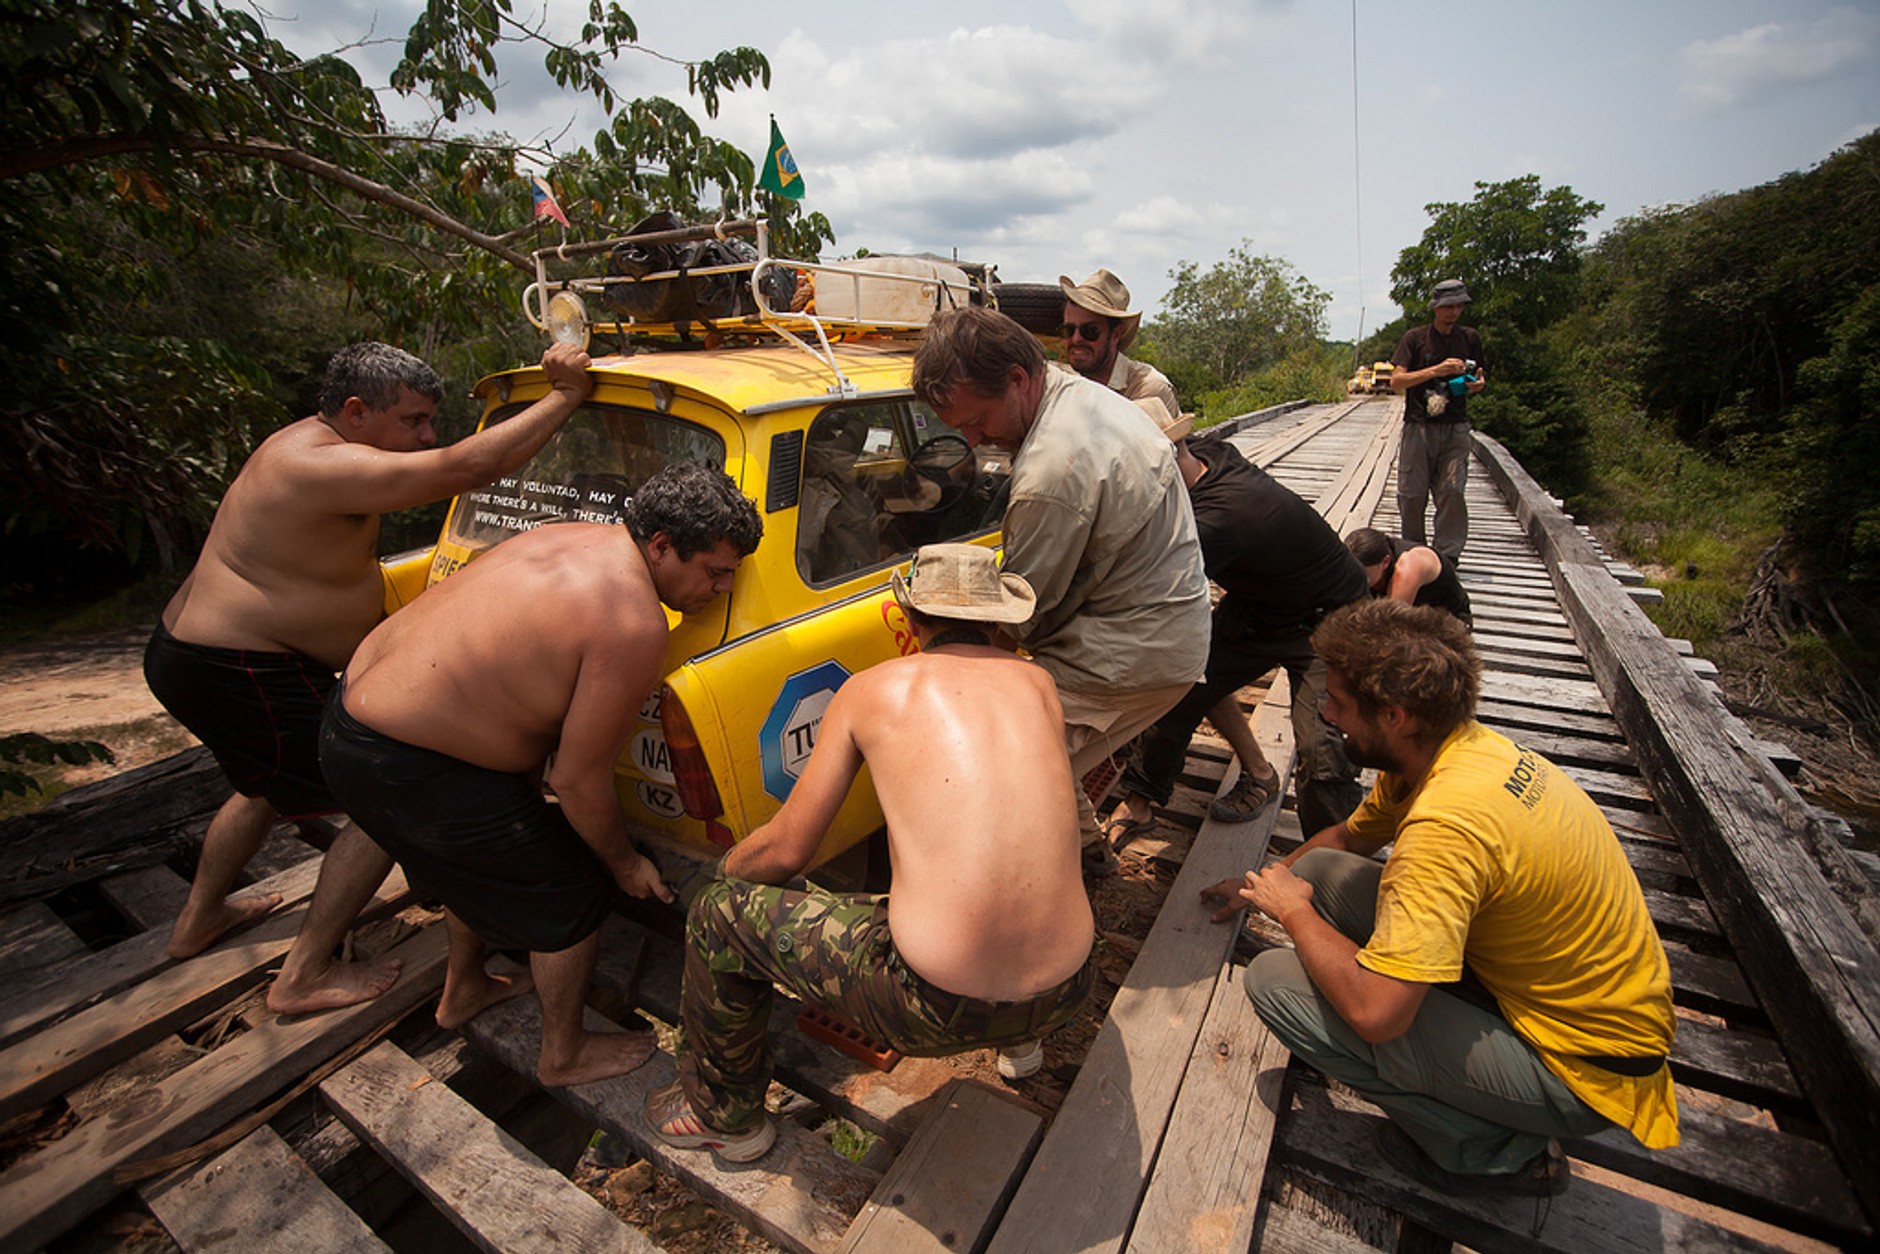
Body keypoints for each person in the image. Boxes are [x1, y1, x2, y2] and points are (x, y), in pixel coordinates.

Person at [143, 340, 594, 985]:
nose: (426, 435)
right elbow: (472, 465)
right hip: (236, 666)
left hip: (205, 658)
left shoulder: (308, 447)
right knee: (381, 795)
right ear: (356, 412)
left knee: (263, 785)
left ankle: (199, 918)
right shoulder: (315, 465)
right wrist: (565, 394)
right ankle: (304, 976)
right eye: (413, 421)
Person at [1204, 599, 1678, 1197]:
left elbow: (1377, 1016)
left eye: (1339, 702)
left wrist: (1292, 911)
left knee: (1275, 982)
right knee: (1323, 868)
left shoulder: (1444, 829)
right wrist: (1260, 884)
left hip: (1586, 1070)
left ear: (1395, 716)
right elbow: (1347, 838)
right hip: (1571, 1002)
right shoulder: (1458, 751)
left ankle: (1496, 1154)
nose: (1326, 713)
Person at [648, 544, 1096, 1162]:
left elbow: (787, 850)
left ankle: (726, 1117)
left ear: (908, 617)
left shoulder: (871, 690)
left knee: (718, 916)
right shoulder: (1038, 683)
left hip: (930, 1006)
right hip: (1067, 989)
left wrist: (719, 877)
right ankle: (1022, 1046)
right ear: (999, 621)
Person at [319, 462, 763, 1085]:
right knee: (569, 890)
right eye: (715, 571)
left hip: (345, 725)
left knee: (483, 863)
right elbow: (578, 780)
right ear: (661, 546)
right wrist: (623, 864)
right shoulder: (632, 620)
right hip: (405, 762)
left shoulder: (567, 536)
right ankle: (563, 1053)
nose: (723, 587)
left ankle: (465, 987)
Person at [911, 306, 1211, 873]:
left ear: (1017, 379)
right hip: (1161, 628)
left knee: (1000, 756)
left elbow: (1016, 615)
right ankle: (1087, 850)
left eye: (976, 421)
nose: (972, 440)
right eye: (958, 430)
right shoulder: (1074, 392)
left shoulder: (1052, 473)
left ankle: (1041, 890)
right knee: (1043, 747)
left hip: (1131, 650)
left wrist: (957, 689)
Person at [1104, 415, 1370, 844]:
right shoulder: (1208, 455)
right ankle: (1146, 798)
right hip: (1262, 605)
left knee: (1322, 750)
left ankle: (1331, 859)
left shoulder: (1217, 522)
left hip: (1331, 619)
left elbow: (1138, 592)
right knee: (1183, 681)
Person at [1389, 279, 1486, 564]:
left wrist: (1476, 384)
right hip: (1419, 425)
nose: (1454, 312)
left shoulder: (1469, 338)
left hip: (1455, 425)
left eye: (1459, 306)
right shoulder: (1415, 338)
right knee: (1412, 494)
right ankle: (1413, 552)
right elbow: (1396, 381)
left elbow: (1480, 377)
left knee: (1452, 490)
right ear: (1436, 307)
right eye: (1448, 306)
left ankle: (1447, 557)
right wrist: (1436, 370)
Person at [1057, 268, 1181, 425]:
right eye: (1068, 330)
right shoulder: (1059, 381)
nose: (1076, 339)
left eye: (1090, 331)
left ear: (1116, 334)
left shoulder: (1148, 388)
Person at [1344, 526, 1473, 627]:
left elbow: (1389, 625)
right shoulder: (1372, 567)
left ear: (1385, 562)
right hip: (1412, 619)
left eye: (1361, 574)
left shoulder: (1409, 566)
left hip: (1447, 625)